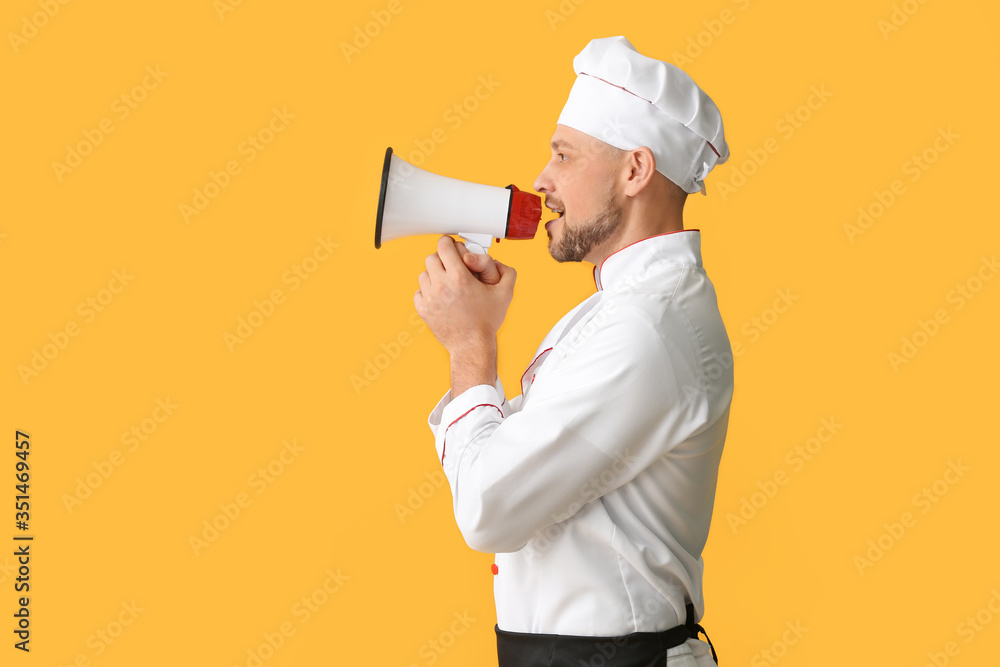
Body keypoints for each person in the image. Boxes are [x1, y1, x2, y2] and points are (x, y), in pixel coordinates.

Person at [413, 35, 733, 667]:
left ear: (635, 171)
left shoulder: (644, 328)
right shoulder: (609, 312)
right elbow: (497, 472)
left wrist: (471, 346)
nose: (541, 180)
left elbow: (487, 509)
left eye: (563, 155)